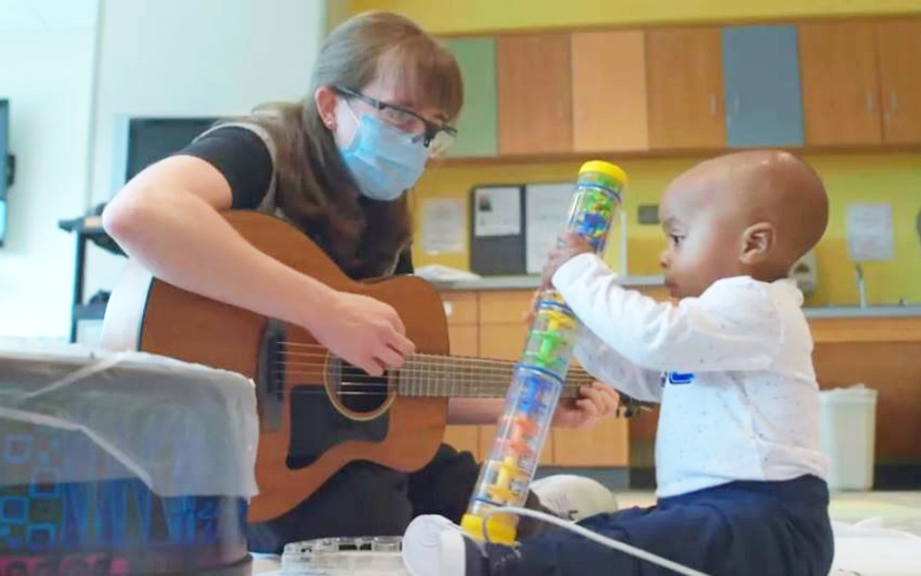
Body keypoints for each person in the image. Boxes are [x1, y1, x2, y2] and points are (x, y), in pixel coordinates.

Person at [102, 11, 619, 555]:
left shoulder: (385, 209)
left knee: (519, 533)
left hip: (348, 451)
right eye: (400, 116)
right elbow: (138, 213)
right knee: (382, 534)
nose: (417, 141)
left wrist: (526, 402)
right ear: (330, 105)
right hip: (245, 466)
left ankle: (553, 508)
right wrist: (325, 310)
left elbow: (389, 382)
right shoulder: (260, 149)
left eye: (433, 129)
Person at [402, 150, 836, 576]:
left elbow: (655, 338)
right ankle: (515, 556)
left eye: (678, 238)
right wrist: (580, 331)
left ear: (753, 244)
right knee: (611, 534)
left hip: (766, 521)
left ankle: (500, 567)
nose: (665, 255)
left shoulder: (757, 305)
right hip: (709, 511)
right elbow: (647, 375)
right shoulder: (713, 329)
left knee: (635, 547)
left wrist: (581, 274)